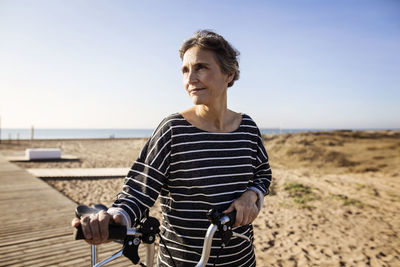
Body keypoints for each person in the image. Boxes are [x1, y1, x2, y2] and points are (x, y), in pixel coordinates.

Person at [72, 30, 272, 267]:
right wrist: (117, 216)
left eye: (201, 67)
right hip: (183, 262)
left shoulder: (247, 128)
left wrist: (251, 196)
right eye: (185, 70)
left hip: (242, 260)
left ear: (228, 73)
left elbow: (262, 174)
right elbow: (138, 191)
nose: (190, 78)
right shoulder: (173, 129)